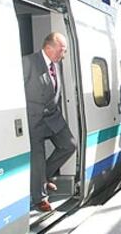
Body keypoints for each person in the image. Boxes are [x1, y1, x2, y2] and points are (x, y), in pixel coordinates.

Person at [22, 32, 76, 212]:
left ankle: (42, 177)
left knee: (69, 145)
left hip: (53, 116)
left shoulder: (56, 64)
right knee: (37, 157)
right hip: (34, 118)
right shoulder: (28, 62)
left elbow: (55, 91)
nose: (64, 54)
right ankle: (39, 198)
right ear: (49, 47)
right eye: (62, 50)